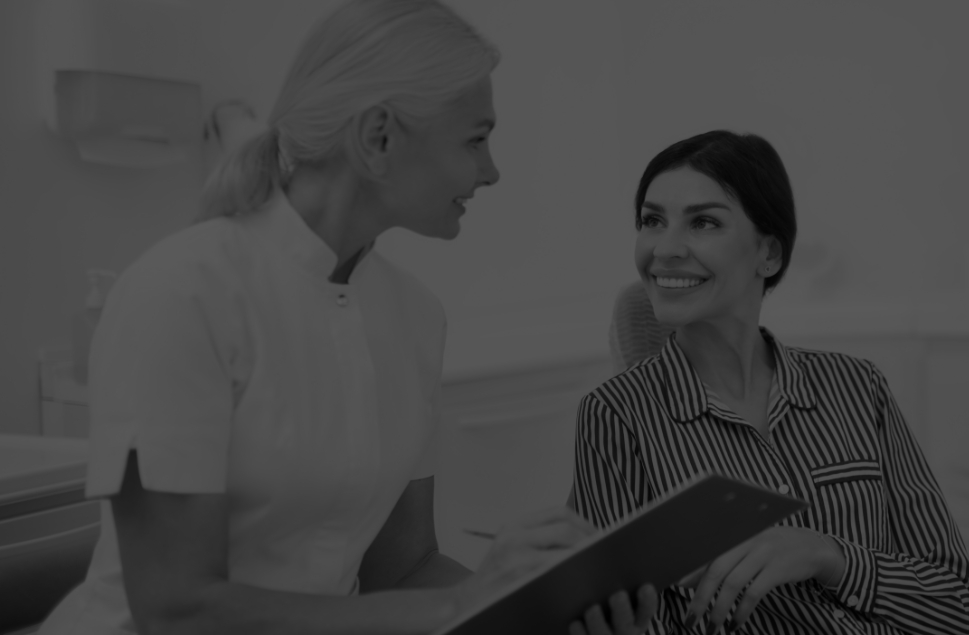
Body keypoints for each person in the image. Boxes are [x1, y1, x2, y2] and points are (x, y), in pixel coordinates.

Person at [36, 1, 655, 633]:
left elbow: (405, 569)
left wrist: (548, 606)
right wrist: (462, 606)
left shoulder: (414, 316)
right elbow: (177, 611)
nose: (491, 171)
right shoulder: (182, 293)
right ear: (378, 137)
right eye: (475, 139)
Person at [570, 130, 969, 634]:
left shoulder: (857, 387)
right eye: (652, 221)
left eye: (704, 222)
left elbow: (960, 605)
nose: (664, 249)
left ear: (769, 255)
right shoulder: (615, 416)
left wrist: (828, 555)